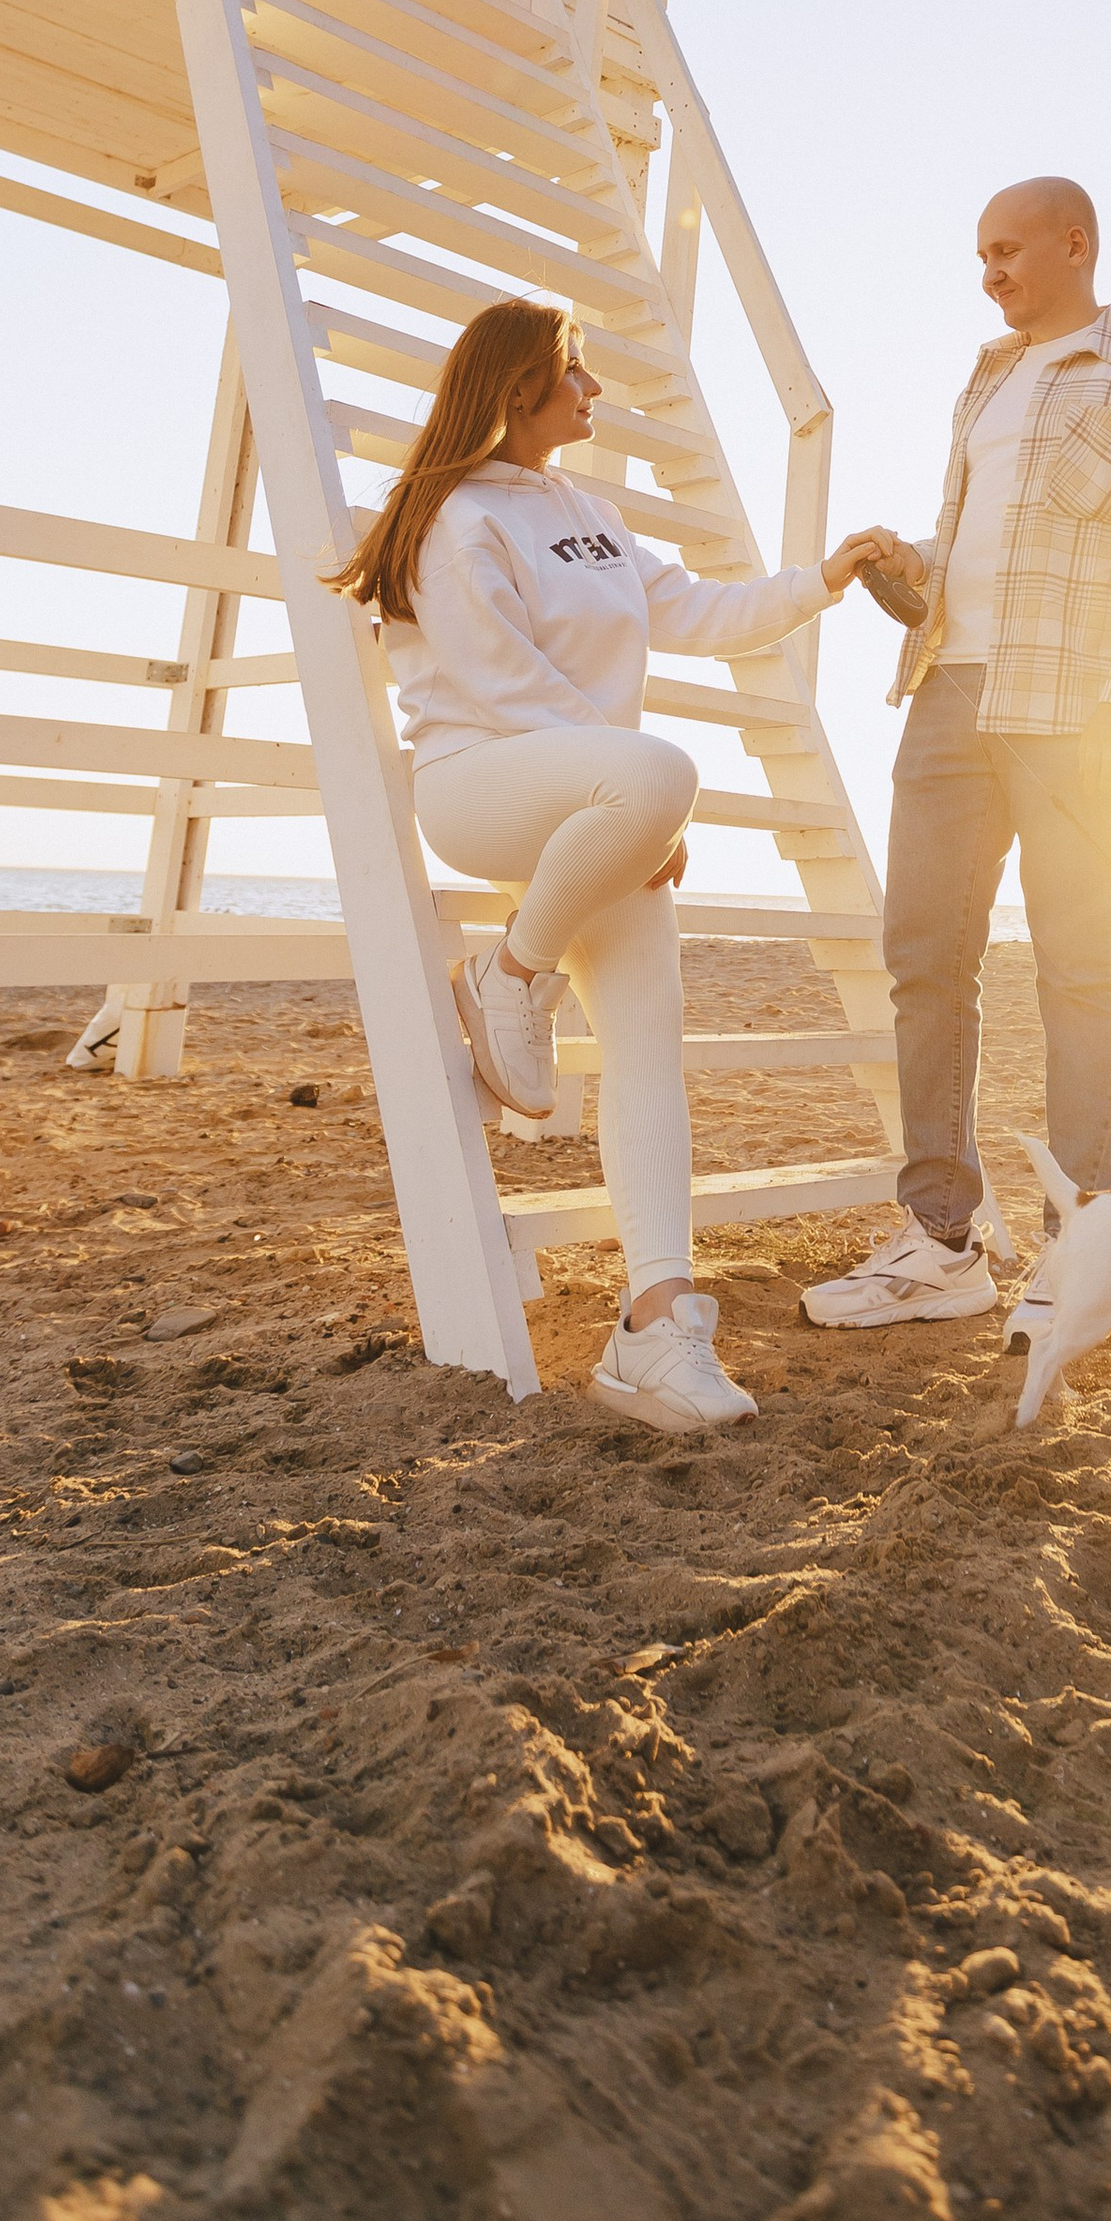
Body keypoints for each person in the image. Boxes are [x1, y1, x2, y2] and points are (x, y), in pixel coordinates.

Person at [330, 295, 896, 1435]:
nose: (591, 391)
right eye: (573, 372)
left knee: (649, 1047)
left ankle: (655, 1323)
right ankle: (512, 978)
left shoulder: (581, 510)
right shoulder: (453, 518)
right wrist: (632, 787)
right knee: (657, 766)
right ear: (516, 390)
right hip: (483, 784)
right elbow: (498, 683)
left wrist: (823, 579)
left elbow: (694, 607)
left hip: (597, 806)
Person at [802, 179, 1111, 1351]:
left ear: (1073, 243)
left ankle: (1079, 1245)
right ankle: (942, 1242)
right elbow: (988, 553)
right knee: (924, 964)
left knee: (1081, 968)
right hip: (951, 697)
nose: (988, 271)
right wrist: (908, 558)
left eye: (1005, 249)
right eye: (978, 254)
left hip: (1080, 716)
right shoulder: (987, 380)